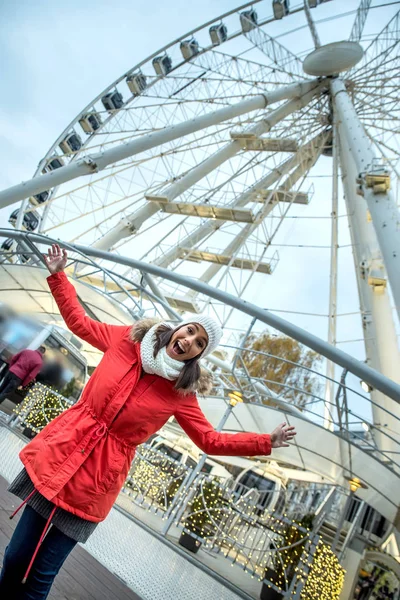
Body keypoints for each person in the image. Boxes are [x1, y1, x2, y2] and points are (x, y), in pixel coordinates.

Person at [0, 243, 297, 600]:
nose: (189, 341)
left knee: (41, 578)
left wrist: (266, 441)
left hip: (95, 483)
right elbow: (80, 322)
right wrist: (58, 276)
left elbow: (209, 440)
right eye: (190, 331)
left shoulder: (181, 393)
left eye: (199, 343)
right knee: (16, 558)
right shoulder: (127, 340)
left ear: (199, 355)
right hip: (59, 455)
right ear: (178, 328)